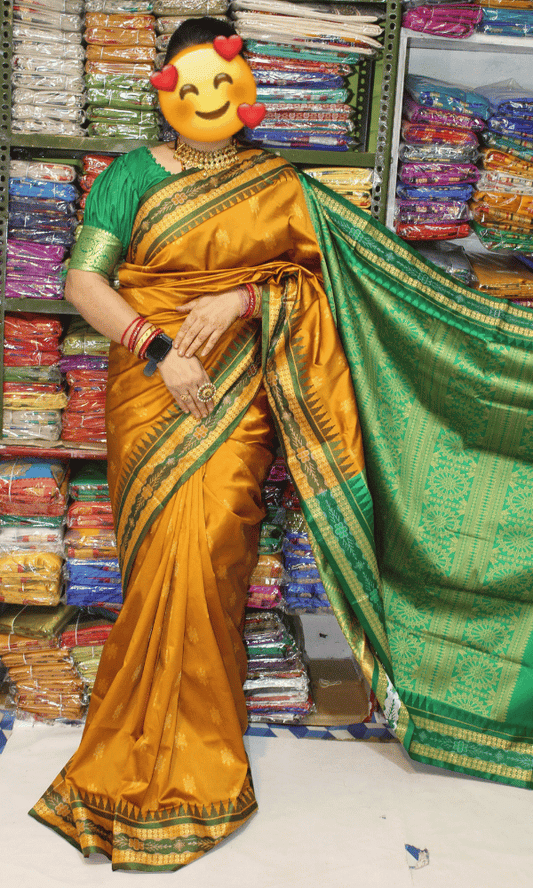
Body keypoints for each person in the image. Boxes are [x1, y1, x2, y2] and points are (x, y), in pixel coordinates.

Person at [30, 15, 533, 874]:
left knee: (213, 554)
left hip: (241, 395)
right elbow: (83, 279)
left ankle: (201, 761)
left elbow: (339, 283)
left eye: (223, 84)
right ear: (164, 91)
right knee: (156, 566)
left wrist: (247, 301)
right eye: (190, 85)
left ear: (246, 91)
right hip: (151, 391)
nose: (207, 99)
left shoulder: (280, 184)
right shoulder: (125, 177)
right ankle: (135, 750)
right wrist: (158, 352)